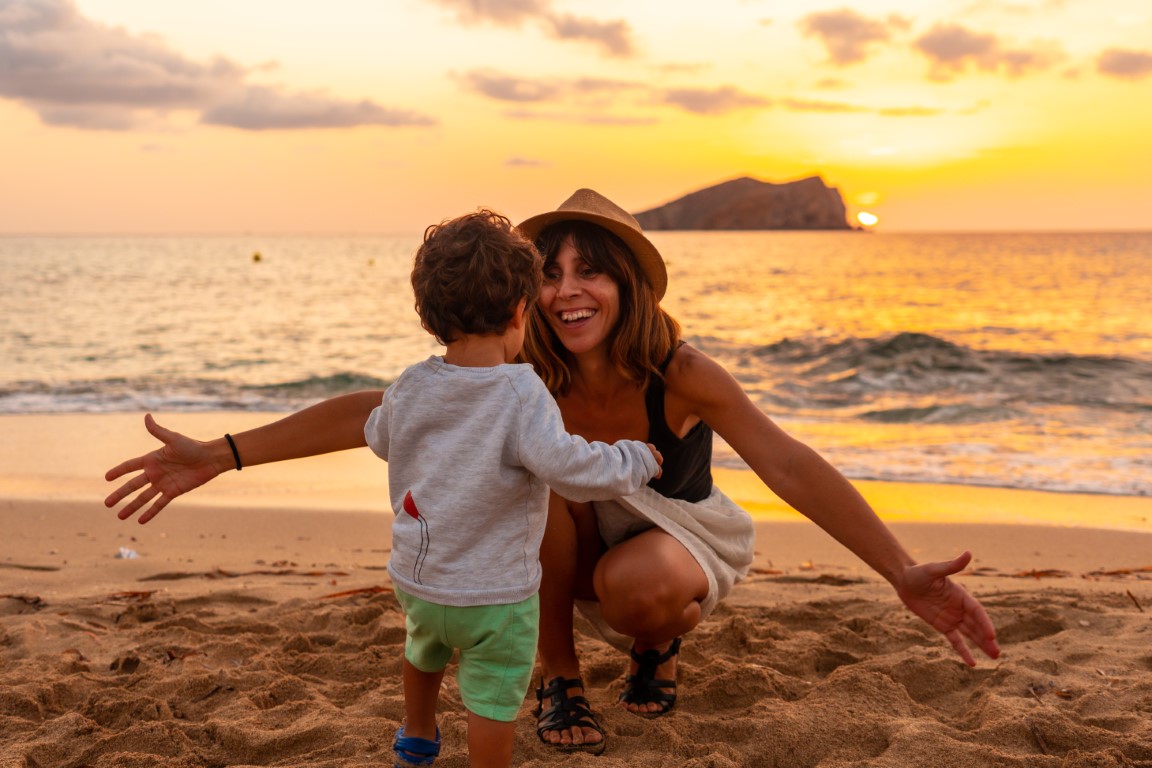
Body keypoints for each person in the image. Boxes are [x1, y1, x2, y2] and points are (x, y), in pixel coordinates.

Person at [105, 189, 1001, 760]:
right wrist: (220, 455)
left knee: (639, 593)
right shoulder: (520, 375)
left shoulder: (678, 371)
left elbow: (789, 462)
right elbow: (372, 410)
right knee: (537, 496)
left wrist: (900, 571)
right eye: (550, 274)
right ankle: (560, 674)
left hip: (675, 531)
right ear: (522, 292)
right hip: (564, 528)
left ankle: (657, 645)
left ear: (629, 287)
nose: (568, 290)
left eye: (591, 273)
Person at [107, 209, 664, 768]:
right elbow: (569, 467)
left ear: (429, 318)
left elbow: (377, 433)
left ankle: (418, 737)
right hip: (493, 597)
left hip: (419, 585)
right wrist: (635, 458)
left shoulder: (411, 386)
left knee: (424, 652)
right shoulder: (523, 393)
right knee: (494, 687)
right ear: (522, 310)